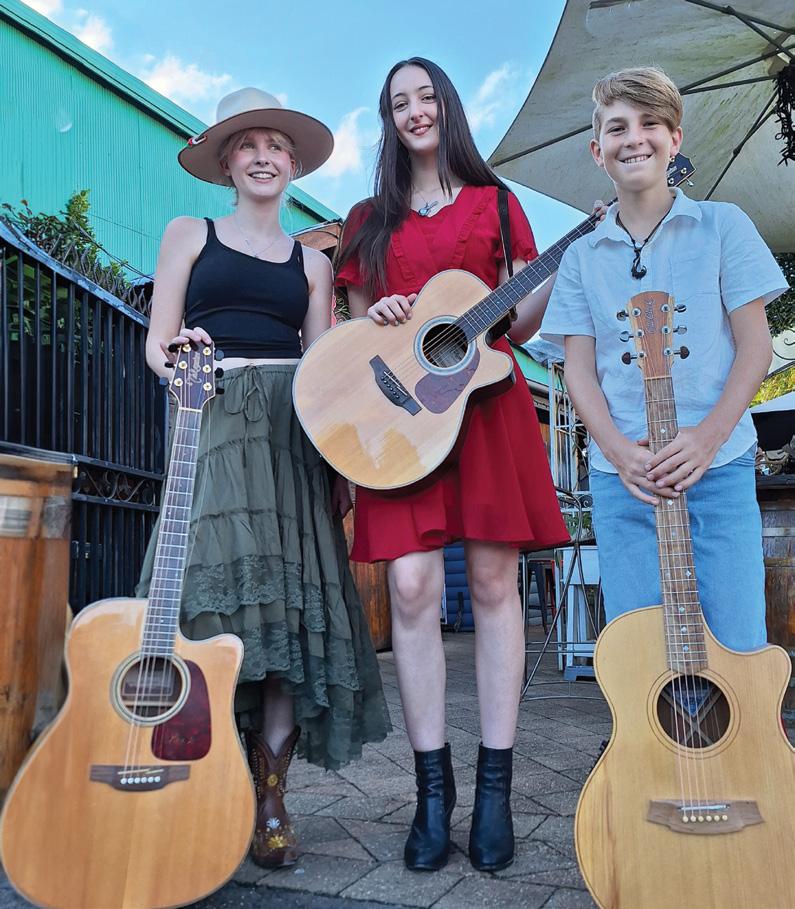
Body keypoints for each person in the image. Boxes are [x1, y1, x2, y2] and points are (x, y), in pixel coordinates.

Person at [136, 87, 390, 869]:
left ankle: (271, 793)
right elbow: (156, 342)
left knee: (285, 609)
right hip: (211, 421)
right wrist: (182, 370)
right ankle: (203, 778)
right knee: (204, 603)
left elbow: (323, 367)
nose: (262, 156)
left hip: (291, 434)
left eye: (276, 145)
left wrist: (340, 458)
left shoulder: (314, 263)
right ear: (225, 162)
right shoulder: (189, 233)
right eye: (246, 144)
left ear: (292, 164)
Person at [335, 57, 570, 873]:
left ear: (447, 105)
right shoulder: (366, 219)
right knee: (409, 586)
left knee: (497, 584)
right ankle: (431, 794)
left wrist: (541, 277)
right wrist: (382, 313)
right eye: (398, 101)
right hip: (401, 422)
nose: (414, 111)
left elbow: (521, 326)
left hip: (486, 408)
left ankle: (494, 793)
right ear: (388, 119)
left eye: (425, 96)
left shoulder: (498, 203)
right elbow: (355, 334)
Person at [541, 67, 788, 649]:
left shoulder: (723, 226)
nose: (635, 139)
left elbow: (755, 346)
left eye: (650, 123)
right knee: (642, 652)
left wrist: (706, 438)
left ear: (675, 139)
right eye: (617, 128)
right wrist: (618, 452)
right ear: (597, 150)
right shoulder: (580, 257)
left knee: (739, 644)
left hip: (719, 465)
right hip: (625, 478)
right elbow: (579, 369)